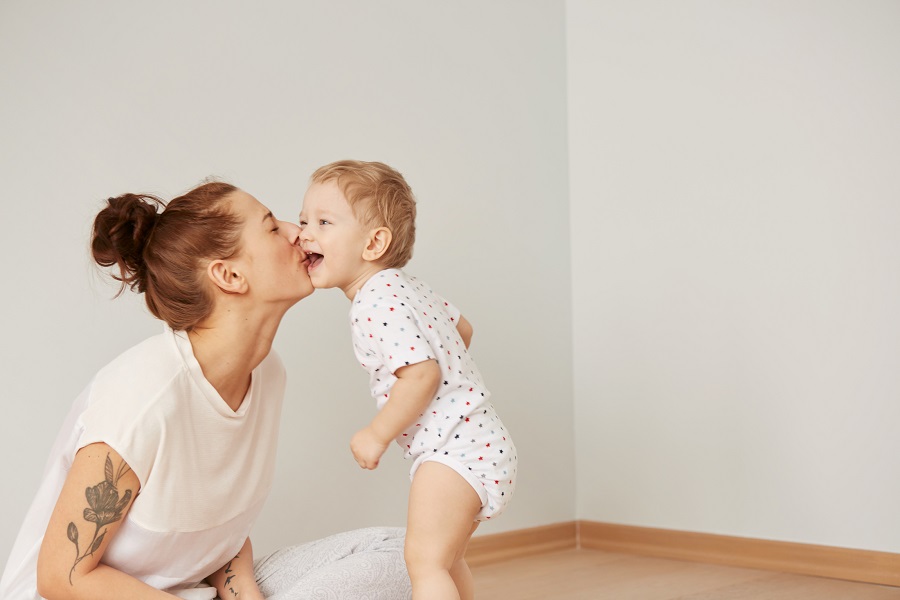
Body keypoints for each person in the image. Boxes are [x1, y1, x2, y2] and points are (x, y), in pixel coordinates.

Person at [0, 181, 412, 600]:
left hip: (189, 592)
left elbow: (217, 532)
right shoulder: (145, 395)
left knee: (402, 555)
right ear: (229, 275)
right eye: (271, 227)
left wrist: (246, 596)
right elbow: (62, 578)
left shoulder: (267, 374)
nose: (297, 233)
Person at [297, 160, 518, 600]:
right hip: (480, 441)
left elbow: (422, 373)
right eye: (303, 220)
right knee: (444, 559)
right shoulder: (406, 286)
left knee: (423, 561)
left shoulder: (373, 301)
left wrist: (377, 434)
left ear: (375, 242)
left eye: (323, 222)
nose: (304, 233)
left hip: (456, 449)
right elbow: (463, 330)